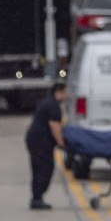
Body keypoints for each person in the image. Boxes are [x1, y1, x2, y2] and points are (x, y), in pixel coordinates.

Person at [24, 82, 67, 210]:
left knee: (39, 168)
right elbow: (54, 126)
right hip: (40, 141)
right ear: (58, 92)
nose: (67, 95)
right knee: (45, 168)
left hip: (37, 140)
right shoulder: (53, 106)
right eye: (65, 92)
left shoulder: (48, 102)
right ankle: (37, 198)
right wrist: (61, 143)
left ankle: (37, 197)